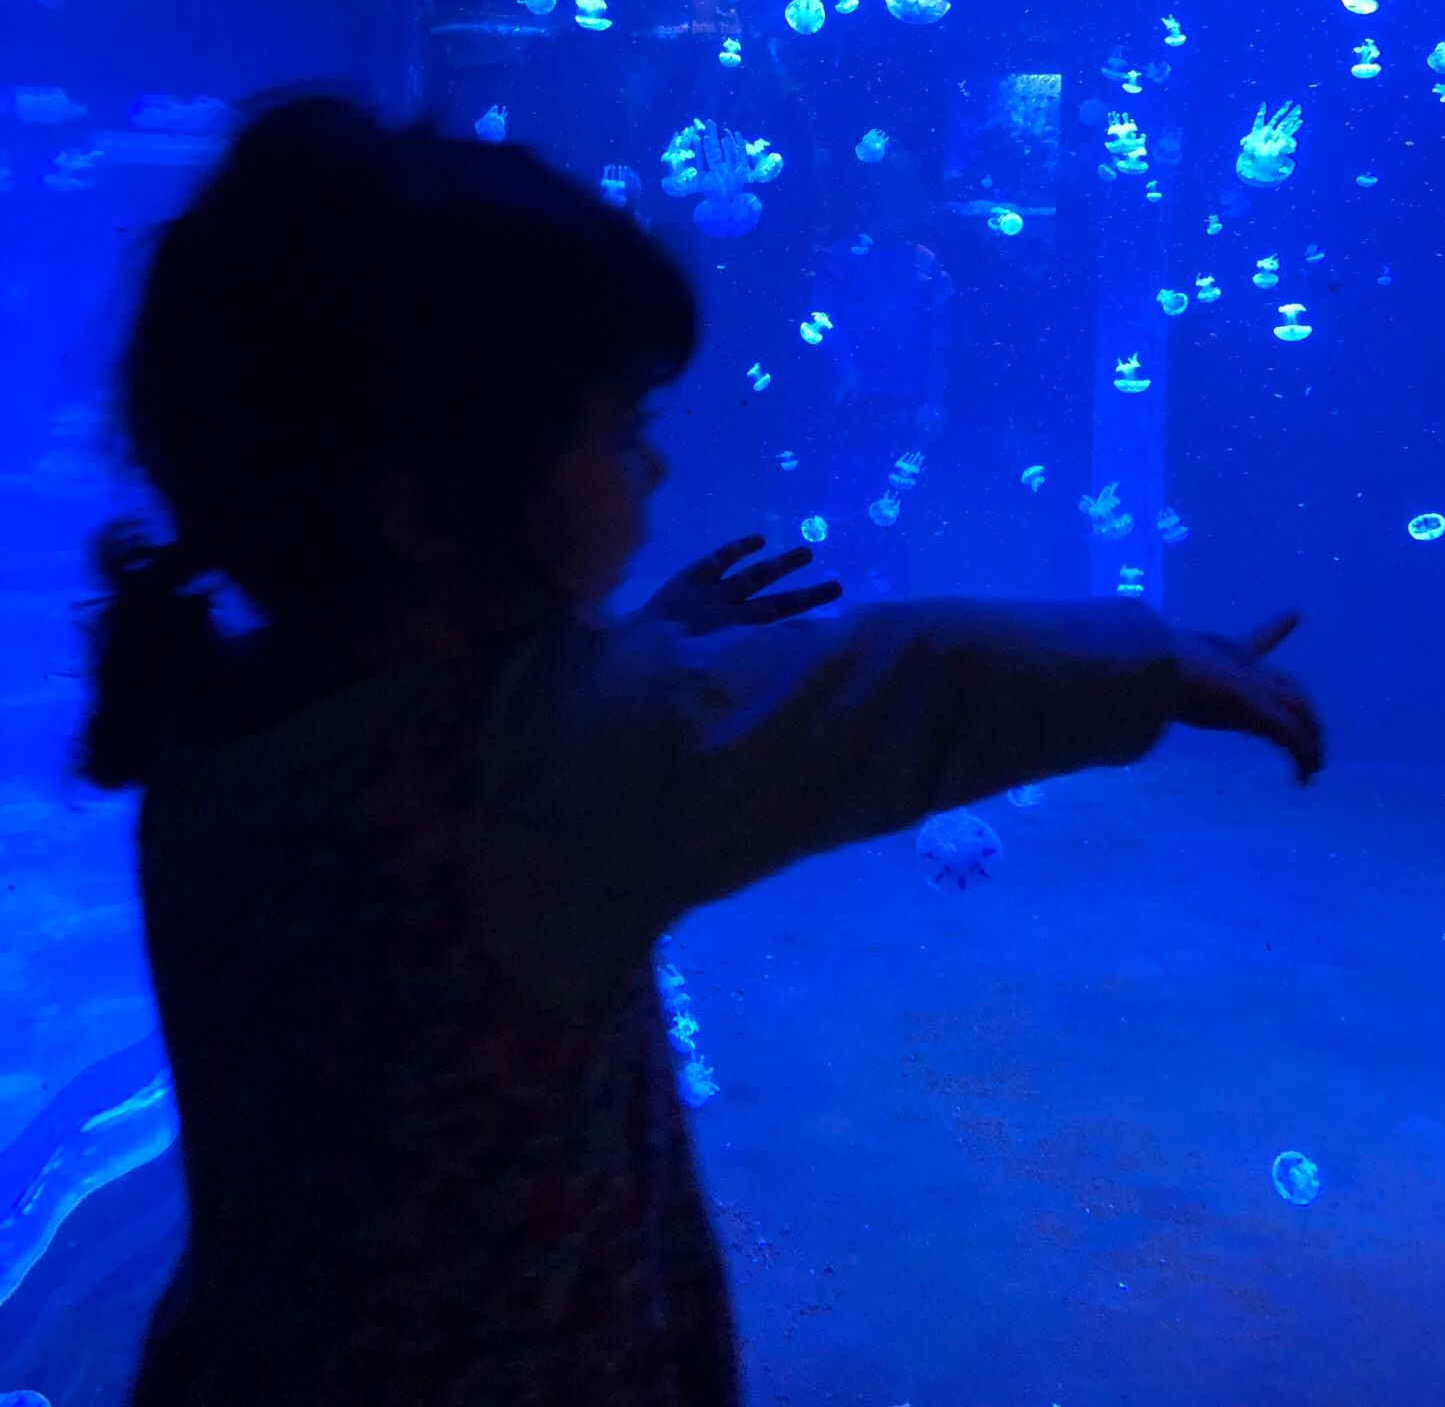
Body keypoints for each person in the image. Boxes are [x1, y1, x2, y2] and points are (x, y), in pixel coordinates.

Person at [77, 95, 1322, 1407]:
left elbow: (528, 743)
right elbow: (896, 685)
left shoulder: (208, 718)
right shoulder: (544, 766)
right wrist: (1150, 663)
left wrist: (639, 655)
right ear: (422, 507)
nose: (657, 472)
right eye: (620, 432)